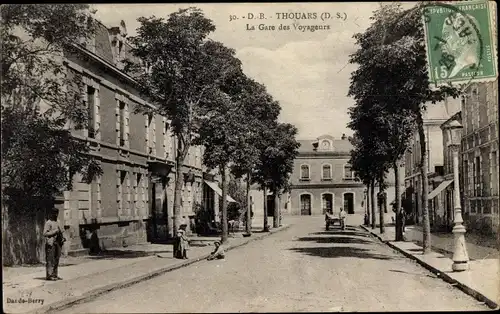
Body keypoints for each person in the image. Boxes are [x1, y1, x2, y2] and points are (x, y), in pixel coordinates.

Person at [43, 208, 65, 281]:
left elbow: (62, 231)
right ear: (51, 214)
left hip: (58, 243)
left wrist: (63, 237)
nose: (55, 214)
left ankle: (55, 274)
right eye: (54, 213)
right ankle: (49, 275)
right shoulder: (48, 223)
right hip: (51, 243)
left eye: (57, 213)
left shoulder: (58, 221)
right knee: (50, 259)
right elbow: (45, 233)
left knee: (56, 259)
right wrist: (54, 232)